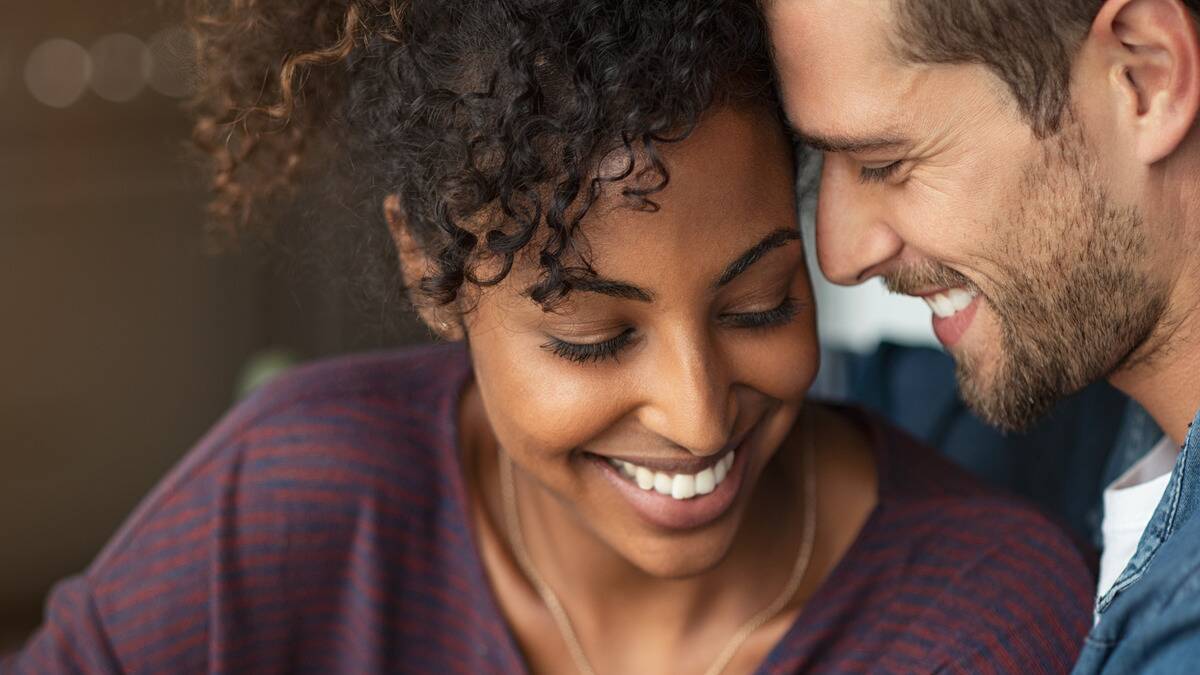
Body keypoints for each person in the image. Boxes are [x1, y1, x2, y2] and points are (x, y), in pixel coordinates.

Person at [0, 1, 1093, 673]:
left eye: (759, 306)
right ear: (432, 275)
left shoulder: (984, 624)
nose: (698, 411)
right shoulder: (303, 496)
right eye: (590, 338)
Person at [761, 0, 1200, 671]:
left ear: (1146, 77)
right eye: (821, 167)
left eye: (884, 163)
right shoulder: (1084, 416)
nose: (839, 256)